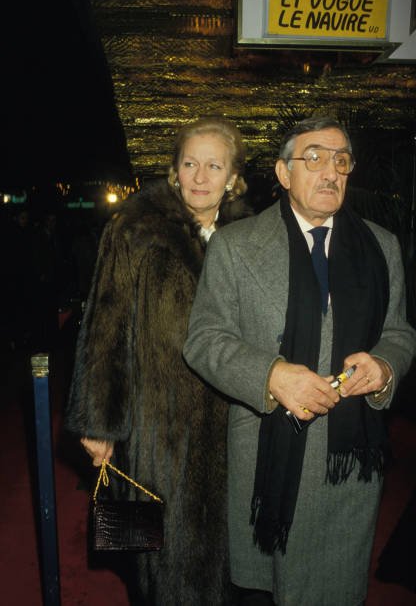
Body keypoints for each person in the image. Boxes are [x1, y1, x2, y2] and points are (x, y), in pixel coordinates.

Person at [183, 116, 416, 606]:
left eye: (340, 160)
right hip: (267, 463)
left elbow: (399, 333)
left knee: (335, 589)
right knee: (266, 591)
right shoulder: (235, 244)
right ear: (284, 173)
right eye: (313, 158)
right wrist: (270, 375)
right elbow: (204, 339)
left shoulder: (382, 246)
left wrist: (384, 367)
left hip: (347, 466)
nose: (330, 171)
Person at [64, 115, 251, 605]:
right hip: (157, 425)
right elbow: (104, 326)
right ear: (174, 170)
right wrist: (99, 422)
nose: (200, 176)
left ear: (233, 177)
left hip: (235, 422)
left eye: (214, 165)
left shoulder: (252, 238)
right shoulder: (134, 228)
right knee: (161, 560)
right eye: (190, 163)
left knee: (231, 559)